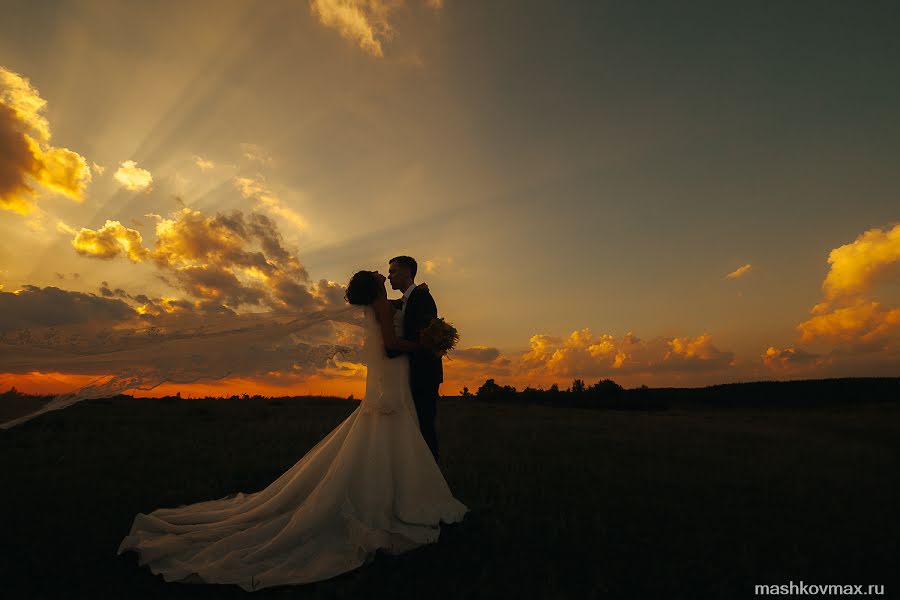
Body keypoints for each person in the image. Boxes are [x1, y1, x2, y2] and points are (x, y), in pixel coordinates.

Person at [116, 269, 468, 592]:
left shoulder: (382, 302)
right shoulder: (379, 303)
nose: (382, 272)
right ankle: (394, 502)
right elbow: (390, 344)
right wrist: (425, 345)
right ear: (375, 286)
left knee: (386, 434)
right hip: (390, 380)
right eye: (379, 273)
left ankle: (396, 495)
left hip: (388, 381)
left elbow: (398, 314)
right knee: (390, 431)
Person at [385, 255, 442, 463]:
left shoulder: (422, 298)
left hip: (425, 373)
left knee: (425, 425)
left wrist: (393, 347)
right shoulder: (408, 299)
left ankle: (432, 476)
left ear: (408, 272)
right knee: (416, 425)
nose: (389, 276)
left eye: (393, 271)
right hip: (412, 371)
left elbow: (426, 340)